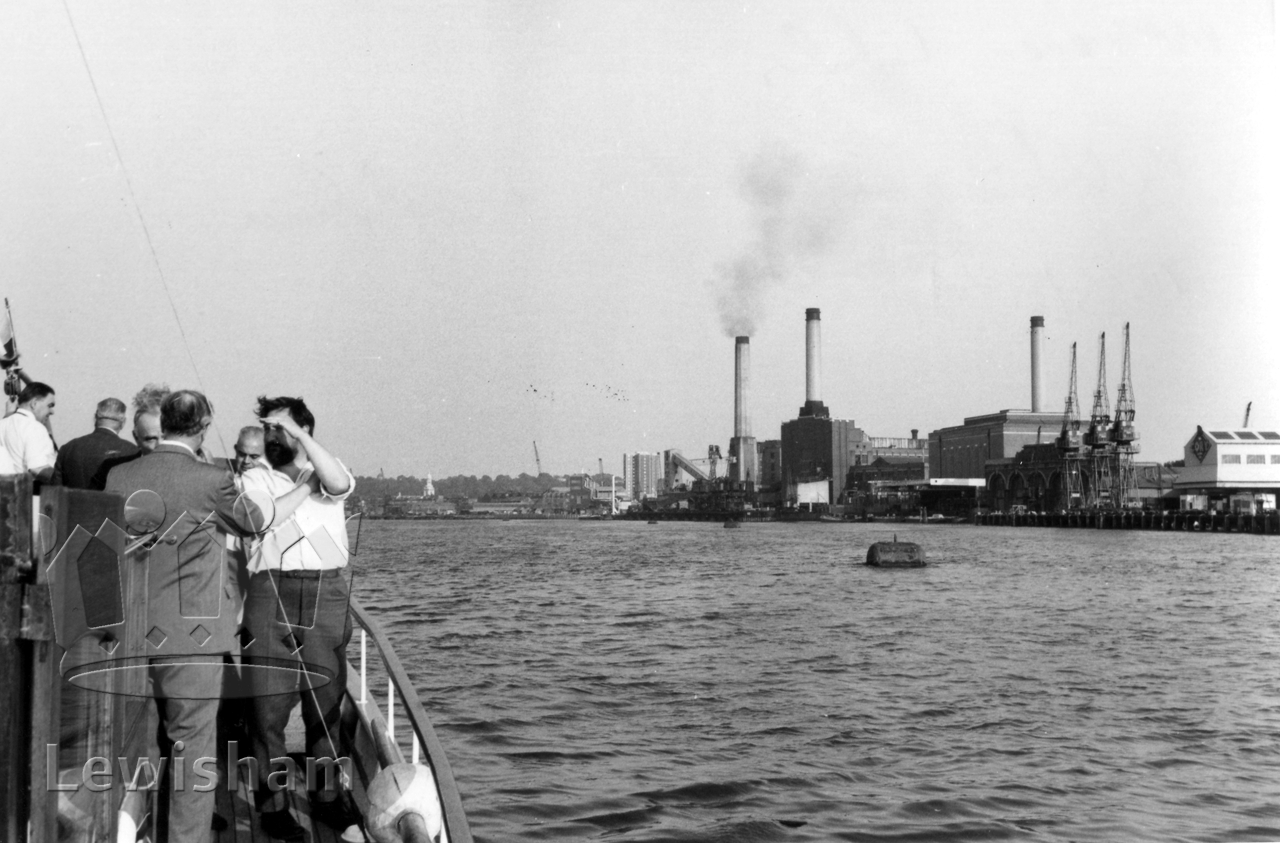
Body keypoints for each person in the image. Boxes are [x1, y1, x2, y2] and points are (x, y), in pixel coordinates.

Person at [104, 390, 312, 843]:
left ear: (164, 422)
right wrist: (304, 488)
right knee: (193, 752)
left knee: (136, 752)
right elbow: (258, 522)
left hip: (131, 637)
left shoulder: (119, 476)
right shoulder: (212, 479)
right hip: (192, 641)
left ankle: (130, 831)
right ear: (202, 427)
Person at [239, 396, 358, 840]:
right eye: (268, 429)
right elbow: (261, 519)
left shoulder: (327, 468)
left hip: (326, 591)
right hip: (271, 590)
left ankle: (327, 798)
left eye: (281, 429)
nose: (272, 437)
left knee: (325, 703)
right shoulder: (254, 476)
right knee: (267, 708)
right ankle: (272, 808)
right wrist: (306, 487)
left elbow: (338, 484)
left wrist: (304, 446)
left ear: (304, 430)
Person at [50, 398, 138, 490]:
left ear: (95, 417)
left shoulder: (68, 449)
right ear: (123, 422)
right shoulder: (132, 452)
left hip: (72, 499)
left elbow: (54, 491)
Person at [0, 381, 57, 482]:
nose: (52, 411)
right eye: (50, 405)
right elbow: (38, 468)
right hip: (27, 490)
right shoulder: (35, 427)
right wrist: (65, 478)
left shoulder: (3, 423)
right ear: (34, 403)